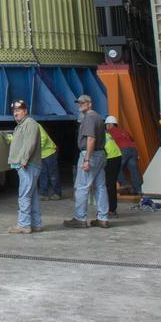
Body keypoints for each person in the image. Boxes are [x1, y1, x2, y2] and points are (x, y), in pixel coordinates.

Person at [64, 94, 109, 229]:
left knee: (82, 187)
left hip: (91, 155)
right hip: (100, 155)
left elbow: (91, 139)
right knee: (100, 187)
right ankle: (103, 218)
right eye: (78, 102)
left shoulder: (89, 117)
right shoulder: (98, 117)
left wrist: (87, 159)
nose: (80, 104)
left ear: (90, 104)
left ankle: (80, 218)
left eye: (83, 102)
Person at [7, 99, 42, 234]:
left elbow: (30, 144)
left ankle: (24, 224)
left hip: (28, 165)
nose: (15, 113)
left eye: (18, 110)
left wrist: (24, 160)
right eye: (14, 111)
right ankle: (36, 224)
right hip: (27, 165)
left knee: (24, 195)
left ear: (25, 111)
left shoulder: (30, 124)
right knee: (31, 195)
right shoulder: (22, 125)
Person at [106, 115, 142, 198]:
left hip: (124, 150)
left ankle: (124, 185)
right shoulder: (123, 131)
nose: (106, 127)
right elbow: (132, 139)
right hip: (133, 150)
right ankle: (138, 189)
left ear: (110, 125)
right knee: (133, 169)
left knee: (116, 166)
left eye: (107, 125)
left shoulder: (110, 132)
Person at [38, 123, 62, 200]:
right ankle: (43, 194)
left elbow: (43, 138)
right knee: (42, 174)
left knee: (53, 174)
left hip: (49, 152)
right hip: (41, 155)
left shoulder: (35, 125)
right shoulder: (23, 127)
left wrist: (35, 150)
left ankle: (57, 193)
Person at [103, 127, 122, 218]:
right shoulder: (106, 134)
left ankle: (110, 210)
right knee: (111, 184)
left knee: (108, 185)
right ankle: (112, 209)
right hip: (117, 156)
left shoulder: (97, 136)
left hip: (110, 159)